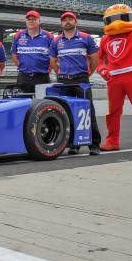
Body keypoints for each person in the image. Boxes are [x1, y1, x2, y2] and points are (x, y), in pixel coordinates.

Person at [96, 1, 132, 153]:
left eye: (120, 17)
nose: (116, 22)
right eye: (113, 19)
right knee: (113, 112)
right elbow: (99, 59)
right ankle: (112, 141)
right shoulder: (104, 40)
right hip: (114, 79)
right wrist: (102, 69)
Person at [50, 12, 101, 155]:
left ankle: (94, 144)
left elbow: (95, 58)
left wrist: (88, 73)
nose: (67, 22)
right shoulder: (56, 41)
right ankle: (73, 144)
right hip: (64, 81)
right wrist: (60, 73)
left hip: (81, 80)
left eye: (70, 19)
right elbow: (53, 61)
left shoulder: (86, 38)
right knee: (68, 113)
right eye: (64, 20)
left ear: (75, 22)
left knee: (88, 112)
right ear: (61, 23)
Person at [11, 10, 53, 93]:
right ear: (26, 21)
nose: (31, 21)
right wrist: (24, 67)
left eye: (34, 19)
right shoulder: (18, 36)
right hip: (23, 77)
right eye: (29, 19)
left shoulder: (49, 36)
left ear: (39, 21)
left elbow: (54, 56)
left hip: (42, 76)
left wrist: (48, 68)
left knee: (43, 103)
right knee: (23, 103)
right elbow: (15, 56)